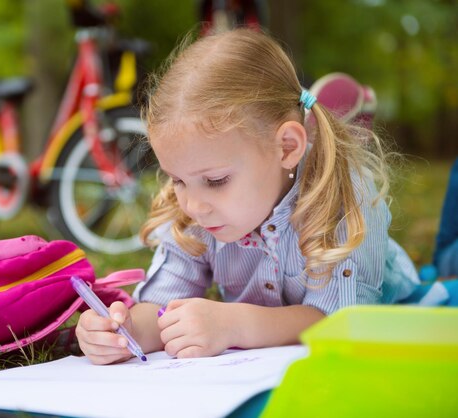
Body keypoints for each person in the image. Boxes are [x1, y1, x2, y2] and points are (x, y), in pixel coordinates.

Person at [75, 28, 420, 365]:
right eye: (177, 180)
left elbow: (339, 321)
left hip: (395, 322)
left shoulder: (344, 195)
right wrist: (124, 331)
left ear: (286, 147)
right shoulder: (198, 211)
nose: (193, 205)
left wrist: (234, 324)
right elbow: (162, 307)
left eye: (217, 180)